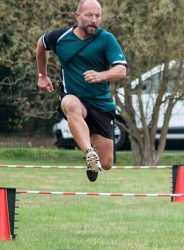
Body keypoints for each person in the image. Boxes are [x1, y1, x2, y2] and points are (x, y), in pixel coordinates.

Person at [36, 0, 127, 182]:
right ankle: (88, 153)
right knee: (69, 103)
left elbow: (121, 70)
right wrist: (42, 74)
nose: (94, 20)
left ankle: (93, 154)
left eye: (98, 16)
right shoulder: (61, 37)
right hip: (75, 100)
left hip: (100, 104)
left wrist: (101, 75)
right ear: (77, 16)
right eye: (89, 15)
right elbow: (41, 44)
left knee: (107, 163)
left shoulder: (106, 39)